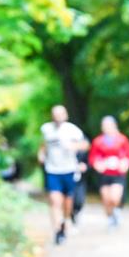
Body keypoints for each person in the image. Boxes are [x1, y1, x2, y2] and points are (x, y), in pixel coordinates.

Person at [38, 105, 89, 245]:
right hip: (52, 170)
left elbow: (85, 145)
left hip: (69, 169)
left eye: (60, 114)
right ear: (52, 116)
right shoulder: (46, 129)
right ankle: (57, 230)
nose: (57, 117)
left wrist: (74, 147)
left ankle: (66, 220)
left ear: (65, 115)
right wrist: (41, 154)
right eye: (55, 114)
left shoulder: (72, 129)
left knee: (67, 202)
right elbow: (43, 145)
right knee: (55, 201)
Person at [88, 115, 129, 229]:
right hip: (104, 174)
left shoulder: (122, 139)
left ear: (114, 125)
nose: (107, 127)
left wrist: (125, 163)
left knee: (115, 198)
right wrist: (97, 164)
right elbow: (93, 157)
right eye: (104, 125)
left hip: (118, 174)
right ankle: (110, 218)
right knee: (106, 200)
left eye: (109, 125)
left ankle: (117, 212)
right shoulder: (98, 141)